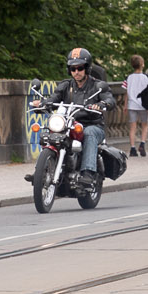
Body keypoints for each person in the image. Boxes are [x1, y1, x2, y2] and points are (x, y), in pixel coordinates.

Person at [50, 48, 115, 191]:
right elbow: (54, 97)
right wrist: (44, 103)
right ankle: (44, 169)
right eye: (73, 69)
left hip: (93, 124)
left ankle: (88, 173)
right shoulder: (66, 85)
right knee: (50, 132)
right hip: (70, 123)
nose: (76, 72)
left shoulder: (97, 85)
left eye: (80, 68)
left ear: (87, 68)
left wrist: (102, 104)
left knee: (89, 133)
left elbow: (109, 99)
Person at [124, 55, 148, 157]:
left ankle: (132, 148)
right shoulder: (146, 78)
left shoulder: (129, 78)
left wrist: (125, 105)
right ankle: (142, 144)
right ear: (142, 64)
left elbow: (126, 92)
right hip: (143, 105)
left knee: (132, 127)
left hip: (132, 105)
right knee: (145, 125)